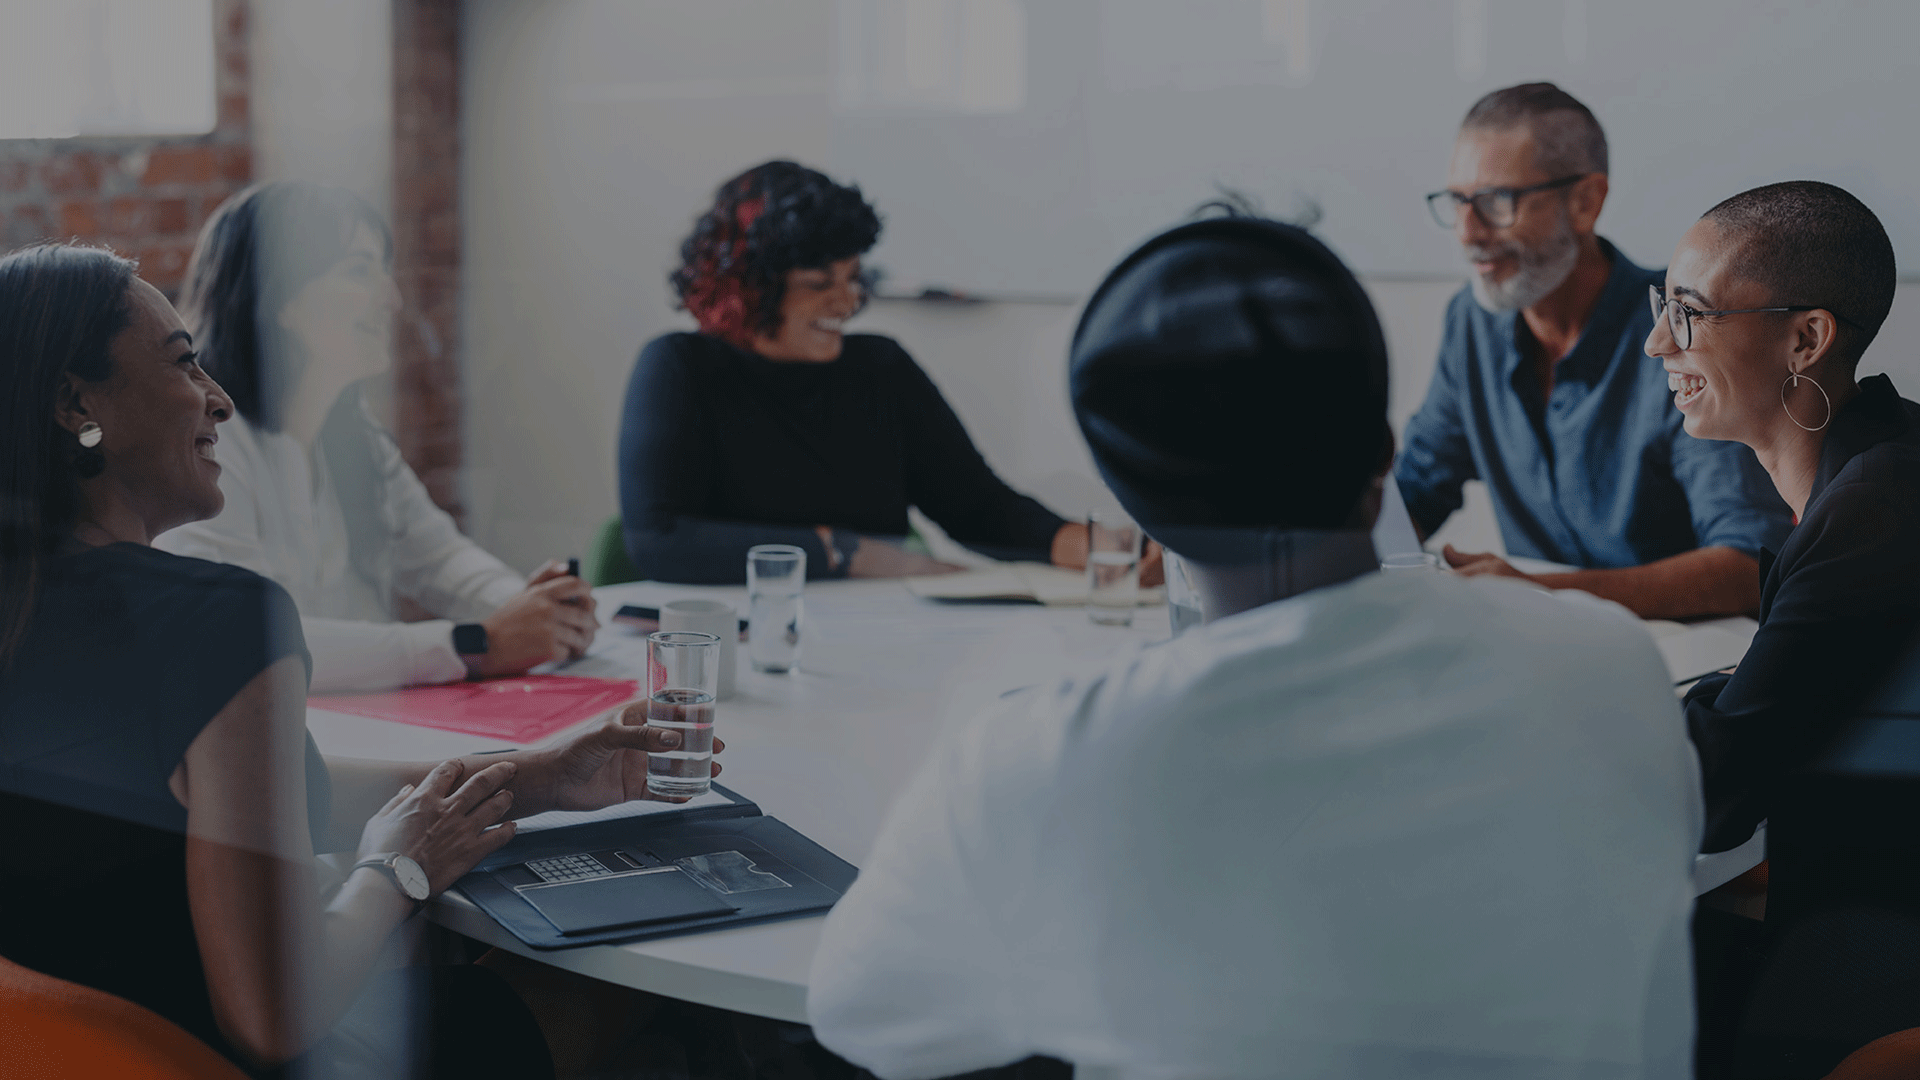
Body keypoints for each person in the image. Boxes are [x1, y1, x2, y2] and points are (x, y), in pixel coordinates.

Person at [808, 216, 1702, 1079]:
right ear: (1385, 452)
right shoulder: (1611, 665)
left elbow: (861, 1018)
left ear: (1135, 504)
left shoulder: (1040, 766)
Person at [0, 242, 721, 1077]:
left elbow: (267, 797)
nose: (218, 400)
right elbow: (274, 1020)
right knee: (655, 985)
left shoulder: (32, 610)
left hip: (65, 1054)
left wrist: (545, 774)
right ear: (72, 402)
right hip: (236, 1059)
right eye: (184, 364)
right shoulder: (217, 620)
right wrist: (396, 866)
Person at [620, 160, 1157, 585]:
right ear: (747, 287)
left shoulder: (881, 368)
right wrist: (852, 553)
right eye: (818, 282)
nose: (848, 300)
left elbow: (978, 507)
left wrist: (1103, 552)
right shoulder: (679, 368)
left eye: (854, 277)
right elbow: (661, 542)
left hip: (882, 639)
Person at [154, 181, 597, 694]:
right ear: (279, 295)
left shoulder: (353, 435)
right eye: (359, 272)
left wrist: (536, 609)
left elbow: (441, 559)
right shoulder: (211, 446)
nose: (393, 298)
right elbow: (249, 641)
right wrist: (475, 643)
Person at [1399, 82, 1791, 619]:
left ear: (1586, 202)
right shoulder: (1472, 323)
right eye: (1458, 202)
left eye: (1496, 202)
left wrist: (1545, 593)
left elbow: (1750, 562)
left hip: (1688, 667)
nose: (1468, 232)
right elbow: (1417, 490)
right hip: (1545, 651)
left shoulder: (1684, 328)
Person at [1651, 181, 1915, 856]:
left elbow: (1711, 796)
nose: (1658, 344)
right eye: (1663, 306)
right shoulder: (1883, 457)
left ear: (1805, 340)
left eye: (1688, 314)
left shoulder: (1872, 511)